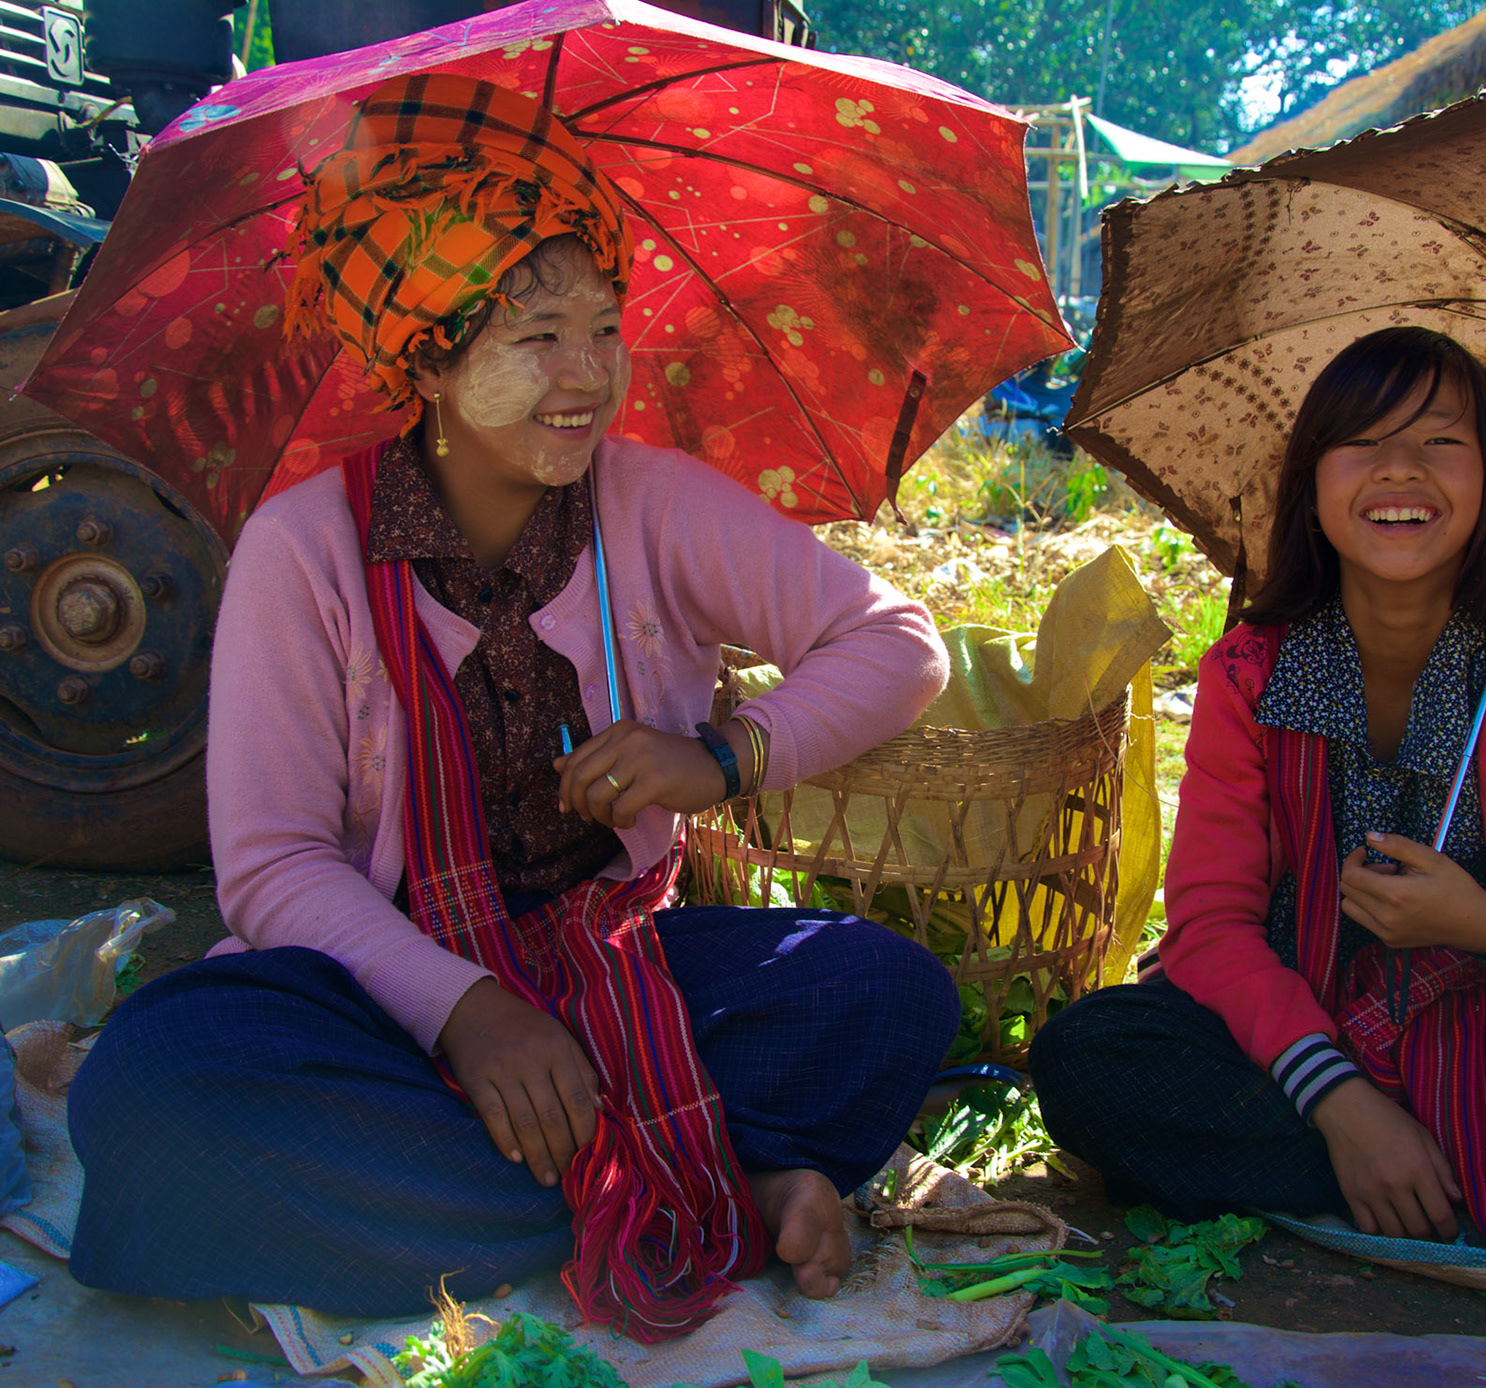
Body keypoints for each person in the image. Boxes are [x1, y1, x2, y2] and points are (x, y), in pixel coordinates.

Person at [64, 75, 958, 1332]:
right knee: (156, 1081)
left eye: (605, 326)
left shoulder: (652, 504)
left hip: (619, 970)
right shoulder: (302, 548)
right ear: (425, 353)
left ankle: (514, 1194)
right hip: (380, 992)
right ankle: (696, 1183)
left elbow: (899, 643)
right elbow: (271, 868)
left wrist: (721, 757)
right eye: (536, 337)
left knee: (884, 994)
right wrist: (468, 1013)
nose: (587, 373)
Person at [1029, 326, 1486, 1256]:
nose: (1400, 469)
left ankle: (1365, 1181)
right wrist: (1344, 1102)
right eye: (1362, 441)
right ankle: (1470, 1175)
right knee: (1086, 1054)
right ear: (1312, 483)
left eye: (1441, 441)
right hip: (1295, 1038)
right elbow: (1211, 927)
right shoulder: (1250, 674)